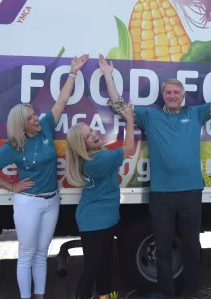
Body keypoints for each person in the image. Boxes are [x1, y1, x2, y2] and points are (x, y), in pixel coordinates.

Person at [98, 49, 211, 298]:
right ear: (163, 96)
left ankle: (190, 293)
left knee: (191, 249)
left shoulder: (195, 113)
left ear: (182, 96)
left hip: (190, 193)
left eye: (176, 92)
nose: (172, 96)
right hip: (162, 195)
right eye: (168, 93)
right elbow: (119, 105)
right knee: (163, 250)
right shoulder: (150, 115)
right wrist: (108, 76)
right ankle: (166, 293)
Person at [0, 54, 89, 299]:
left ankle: (39, 296)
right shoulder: (14, 146)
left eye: (34, 114)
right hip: (29, 202)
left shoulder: (46, 128)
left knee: (42, 252)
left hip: (52, 201)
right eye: (30, 118)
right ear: (21, 124)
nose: (36, 118)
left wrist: (73, 72)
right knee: (27, 253)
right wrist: (12, 186)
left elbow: (62, 100)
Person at [64, 103, 135, 299]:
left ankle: (104, 296)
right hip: (96, 222)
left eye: (92, 130)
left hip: (102, 220)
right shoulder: (97, 161)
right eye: (87, 136)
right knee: (94, 267)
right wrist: (129, 118)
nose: (94, 134)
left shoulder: (95, 156)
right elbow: (128, 148)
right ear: (81, 144)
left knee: (105, 264)